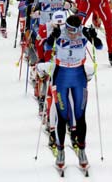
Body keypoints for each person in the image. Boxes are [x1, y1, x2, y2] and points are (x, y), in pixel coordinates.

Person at [43, 15, 102, 170]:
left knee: (80, 116)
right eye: (68, 29)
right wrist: (51, 37)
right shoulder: (60, 32)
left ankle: (82, 150)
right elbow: (46, 47)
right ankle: (61, 151)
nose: (71, 33)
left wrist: (94, 37)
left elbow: (100, 47)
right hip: (61, 76)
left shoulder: (84, 32)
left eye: (74, 31)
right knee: (62, 116)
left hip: (78, 76)